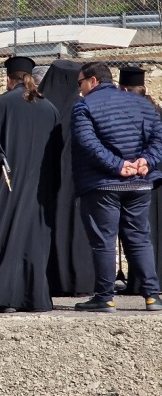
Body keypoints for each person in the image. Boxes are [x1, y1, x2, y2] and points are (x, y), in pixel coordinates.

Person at [71, 61, 162, 312]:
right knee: (140, 239)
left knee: (103, 241)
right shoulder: (142, 104)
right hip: (139, 184)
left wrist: (117, 166)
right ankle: (152, 296)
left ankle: (104, 297)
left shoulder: (84, 106)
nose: (79, 89)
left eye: (80, 83)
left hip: (102, 185)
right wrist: (147, 161)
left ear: (92, 81)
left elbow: (88, 143)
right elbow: (159, 137)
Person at [0, 56, 61, 313]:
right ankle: (34, 298)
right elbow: (59, 150)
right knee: (33, 239)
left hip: (7, 182)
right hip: (40, 187)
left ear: (8, 80)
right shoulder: (50, 108)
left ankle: (5, 297)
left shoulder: (1, 103)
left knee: (6, 234)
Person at [37, 60, 94, 297]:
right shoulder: (84, 107)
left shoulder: (41, 107)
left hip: (45, 181)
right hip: (79, 178)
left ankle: (49, 280)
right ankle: (81, 281)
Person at [118, 66, 162, 295]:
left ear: (123, 89)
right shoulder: (156, 110)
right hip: (155, 175)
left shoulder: (126, 113)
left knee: (138, 234)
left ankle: (140, 282)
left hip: (138, 179)